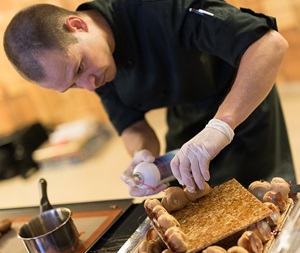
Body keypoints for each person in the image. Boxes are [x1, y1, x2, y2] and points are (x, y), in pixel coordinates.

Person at [3, 0, 296, 197]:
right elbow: (132, 125)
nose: (89, 86)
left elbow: (268, 45)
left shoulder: (159, 8)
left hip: (241, 104)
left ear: (77, 26)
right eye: (73, 85)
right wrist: (141, 157)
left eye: (79, 69)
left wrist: (220, 126)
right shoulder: (94, 68)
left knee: (263, 204)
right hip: (184, 114)